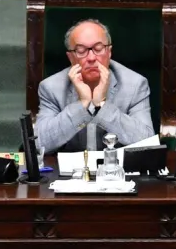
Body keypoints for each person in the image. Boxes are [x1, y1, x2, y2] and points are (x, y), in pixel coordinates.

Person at [34, 19, 156, 154]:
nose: (91, 58)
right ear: (71, 57)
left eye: (98, 49)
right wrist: (82, 105)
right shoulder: (51, 88)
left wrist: (101, 105)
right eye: (81, 50)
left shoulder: (135, 85)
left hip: (117, 171)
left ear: (109, 52)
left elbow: (147, 142)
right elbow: (39, 144)